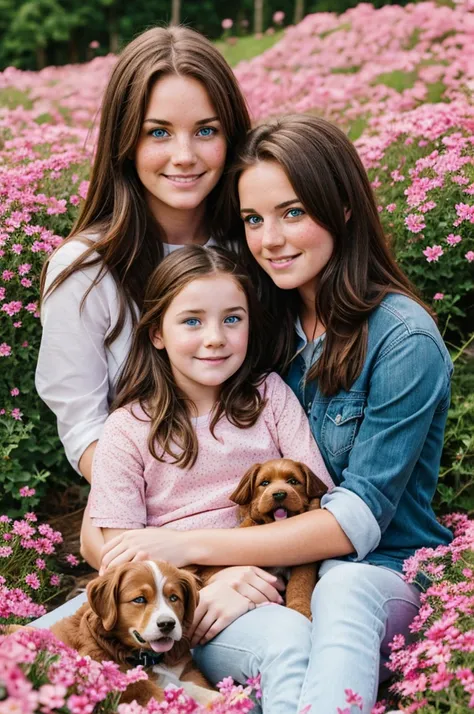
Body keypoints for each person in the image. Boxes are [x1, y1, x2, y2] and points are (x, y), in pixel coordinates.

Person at [99, 115, 454, 713]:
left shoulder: (402, 341)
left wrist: (194, 551)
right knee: (54, 638)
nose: (270, 239)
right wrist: (205, 571)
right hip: (251, 579)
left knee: (340, 588)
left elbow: (354, 522)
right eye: (254, 219)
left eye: (293, 213)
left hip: (378, 569)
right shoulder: (264, 328)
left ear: (341, 208)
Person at [35, 25, 251, 567]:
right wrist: (174, 500)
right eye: (158, 132)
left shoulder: (253, 243)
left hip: (258, 511)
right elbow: (83, 424)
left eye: (206, 130)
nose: (184, 155)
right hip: (148, 515)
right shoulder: (84, 271)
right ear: (124, 140)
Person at [87, 244, 334, 710]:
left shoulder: (270, 397)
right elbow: (121, 557)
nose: (216, 337)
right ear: (157, 332)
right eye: (192, 321)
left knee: (290, 640)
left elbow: (319, 513)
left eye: (232, 319)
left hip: (261, 596)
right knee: (34, 651)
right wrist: (212, 584)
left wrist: (239, 574)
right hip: (171, 613)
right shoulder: (127, 428)